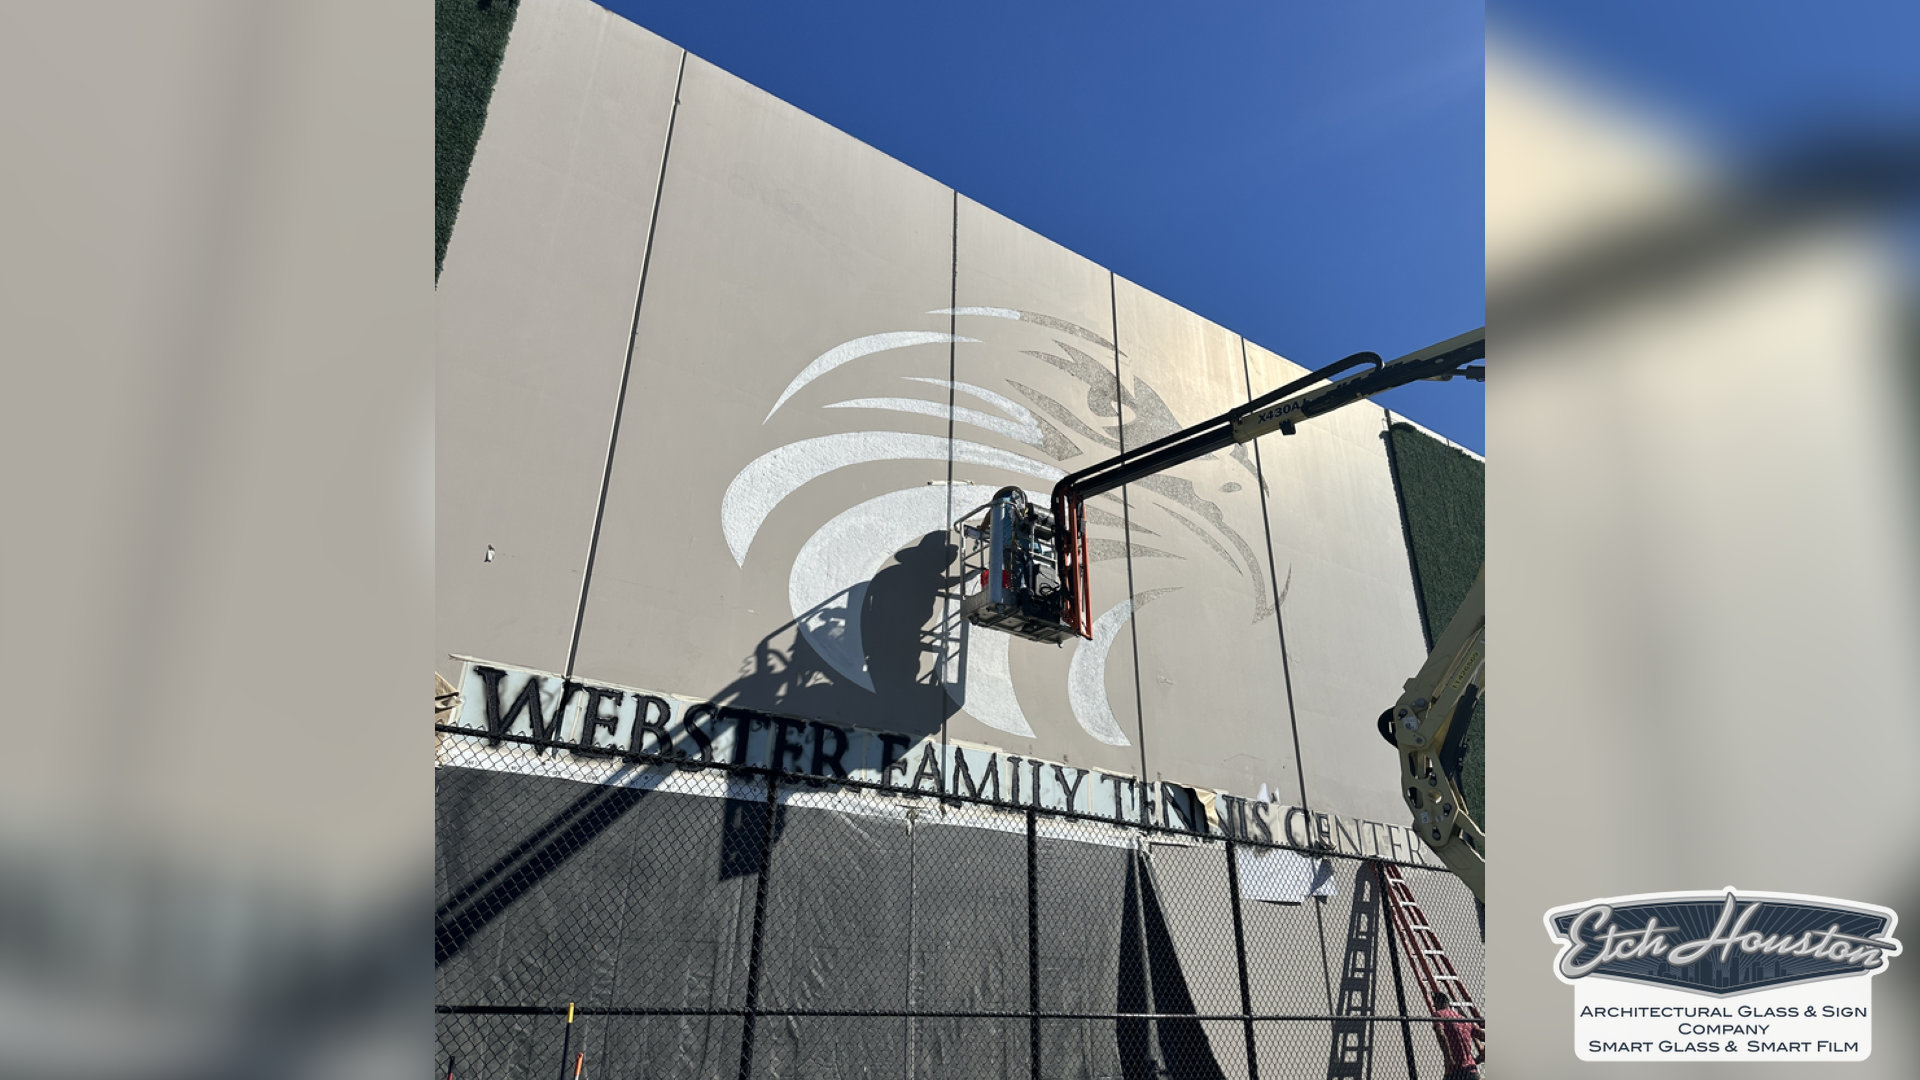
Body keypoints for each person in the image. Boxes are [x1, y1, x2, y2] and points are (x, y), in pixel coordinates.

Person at [1430, 989, 1483, 1079]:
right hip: (1470, 1068)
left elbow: (1440, 1033)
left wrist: (1448, 1057)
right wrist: (1482, 1056)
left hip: (1454, 1068)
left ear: (1438, 1004)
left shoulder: (1439, 1014)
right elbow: (1483, 1036)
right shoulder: (1463, 1019)